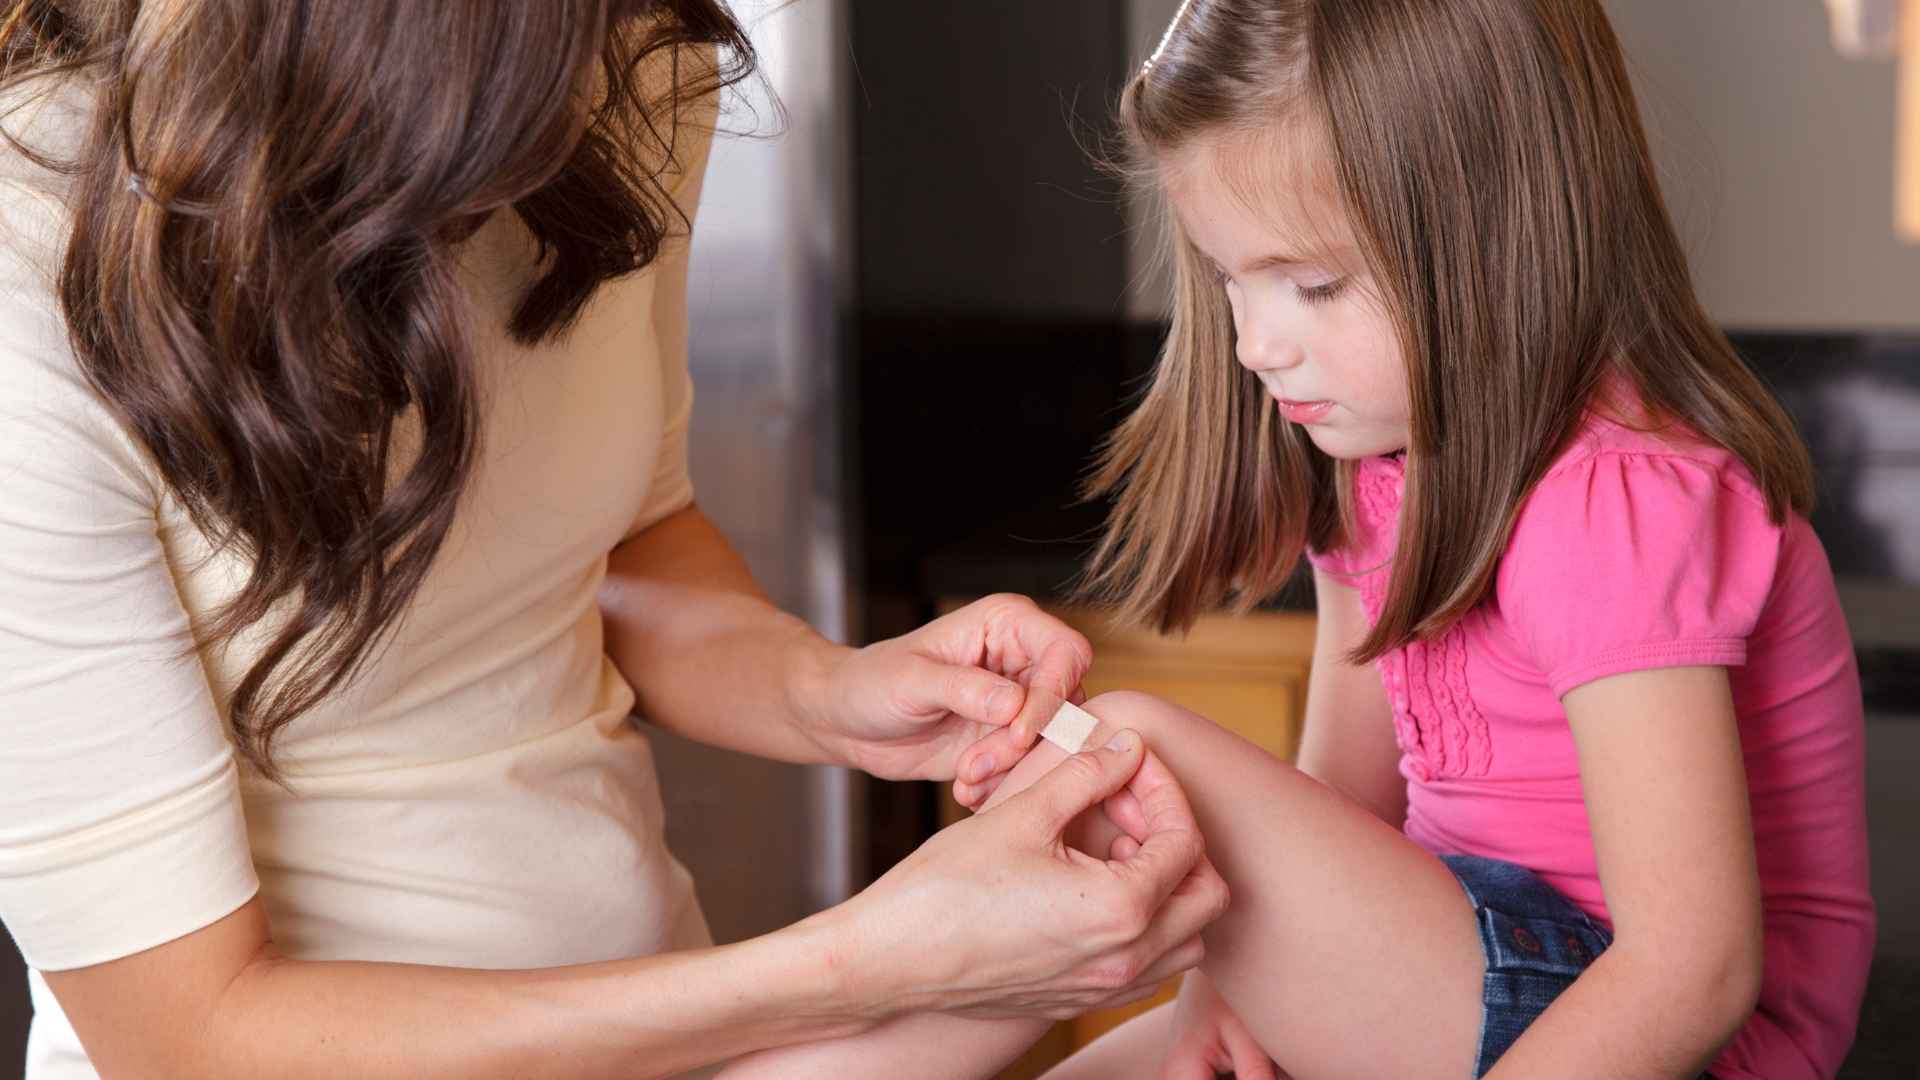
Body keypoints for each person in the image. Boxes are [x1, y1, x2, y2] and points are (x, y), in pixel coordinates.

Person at [0, 3, 1228, 1077]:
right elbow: (190, 1038)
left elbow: (624, 539)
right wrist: (869, 964)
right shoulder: (33, 266)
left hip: (674, 1023)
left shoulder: (619, 62)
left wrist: (827, 693)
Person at [727, 0, 1877, 1077]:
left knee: (1121, 752)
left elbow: (1693, 971)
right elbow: (1341, 811)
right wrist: (1234, 981)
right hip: (1461, 957)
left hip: (1645, 1026)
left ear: (1497, 234)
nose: (1255, 345)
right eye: (1229, 278)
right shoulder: (1377, 471)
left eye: (1314, 285)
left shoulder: (1612, 501)